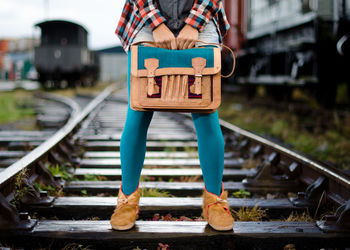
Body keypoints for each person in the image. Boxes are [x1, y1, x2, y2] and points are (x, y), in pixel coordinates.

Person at [110, 0, 234, 231]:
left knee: (206, 110)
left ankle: (215, 200)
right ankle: (127, 199)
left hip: (201, 17)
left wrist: (193, 25)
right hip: (147, 19)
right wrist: (157, 25)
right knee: (138, 110)